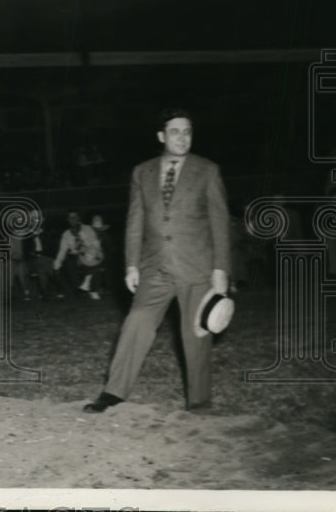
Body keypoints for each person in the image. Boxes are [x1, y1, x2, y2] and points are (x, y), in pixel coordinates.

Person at [84, 108, 230, 414]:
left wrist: (221, 269)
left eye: (187, 132)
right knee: (136, 321)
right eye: (175, 132)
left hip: (197, 266)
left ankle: (199, 403)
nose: (182, 138)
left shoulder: (207, 170)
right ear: (161, 136)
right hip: (155, 266)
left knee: (196, 335)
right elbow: (135, 220)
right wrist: (131, 265)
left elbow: (220, 222)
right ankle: (113, 393)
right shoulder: (142, 172)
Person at [54, 210, 103, 300]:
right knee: (70, 262)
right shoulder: (66, 234)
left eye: (75, 217)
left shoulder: (87, 229)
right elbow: (62, 250)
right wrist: (57, 262)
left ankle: (93, 290)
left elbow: (96, 243)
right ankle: (79, 287)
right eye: (70, 218)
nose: (72, 219)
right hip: (76, 256)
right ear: (68, 220)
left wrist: (85, 241)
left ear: (79, 218)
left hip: (91, 252)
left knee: (94, 259)